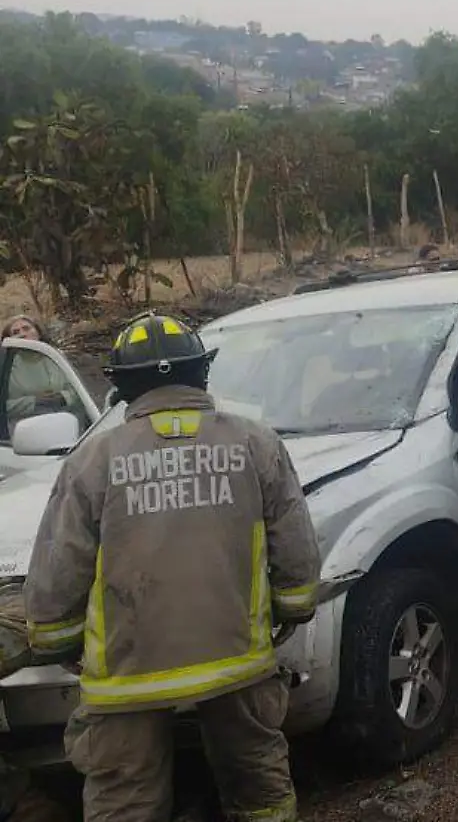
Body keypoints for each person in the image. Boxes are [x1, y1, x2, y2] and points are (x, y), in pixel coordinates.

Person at [25, 312, 320, 822]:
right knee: (260, 788)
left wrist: (60, 643)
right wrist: (288, 613)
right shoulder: (256, 443)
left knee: (126, 802)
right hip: (238, 662)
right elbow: (295, 553)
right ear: (200, 373)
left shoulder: (92, 460)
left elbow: (59, 572)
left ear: (121, 385)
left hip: (126, 677)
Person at [3, 315, 78, 429]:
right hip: (26, 431)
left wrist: (62, 397)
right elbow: (4, 406)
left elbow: (79, 391)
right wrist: (35, 402)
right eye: (15, 332)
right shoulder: (5, 366)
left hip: (65, 424)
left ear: (38, 332)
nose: (22, 334)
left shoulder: (55, 357)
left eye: (26, 328)